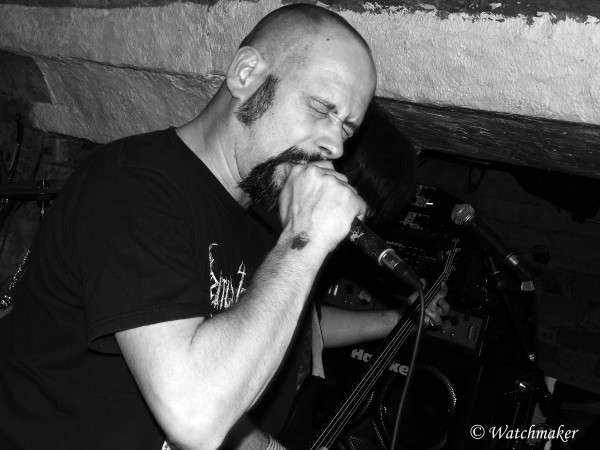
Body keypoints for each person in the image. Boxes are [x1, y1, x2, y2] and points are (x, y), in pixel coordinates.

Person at [0, 4, 447, 450]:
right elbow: (196, 416)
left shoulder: (263, 230)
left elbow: (214, 374)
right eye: (320, 108)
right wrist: (305, 239)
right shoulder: (133, 183)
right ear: (245, 73)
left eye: (346, 130)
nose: (334, 146)